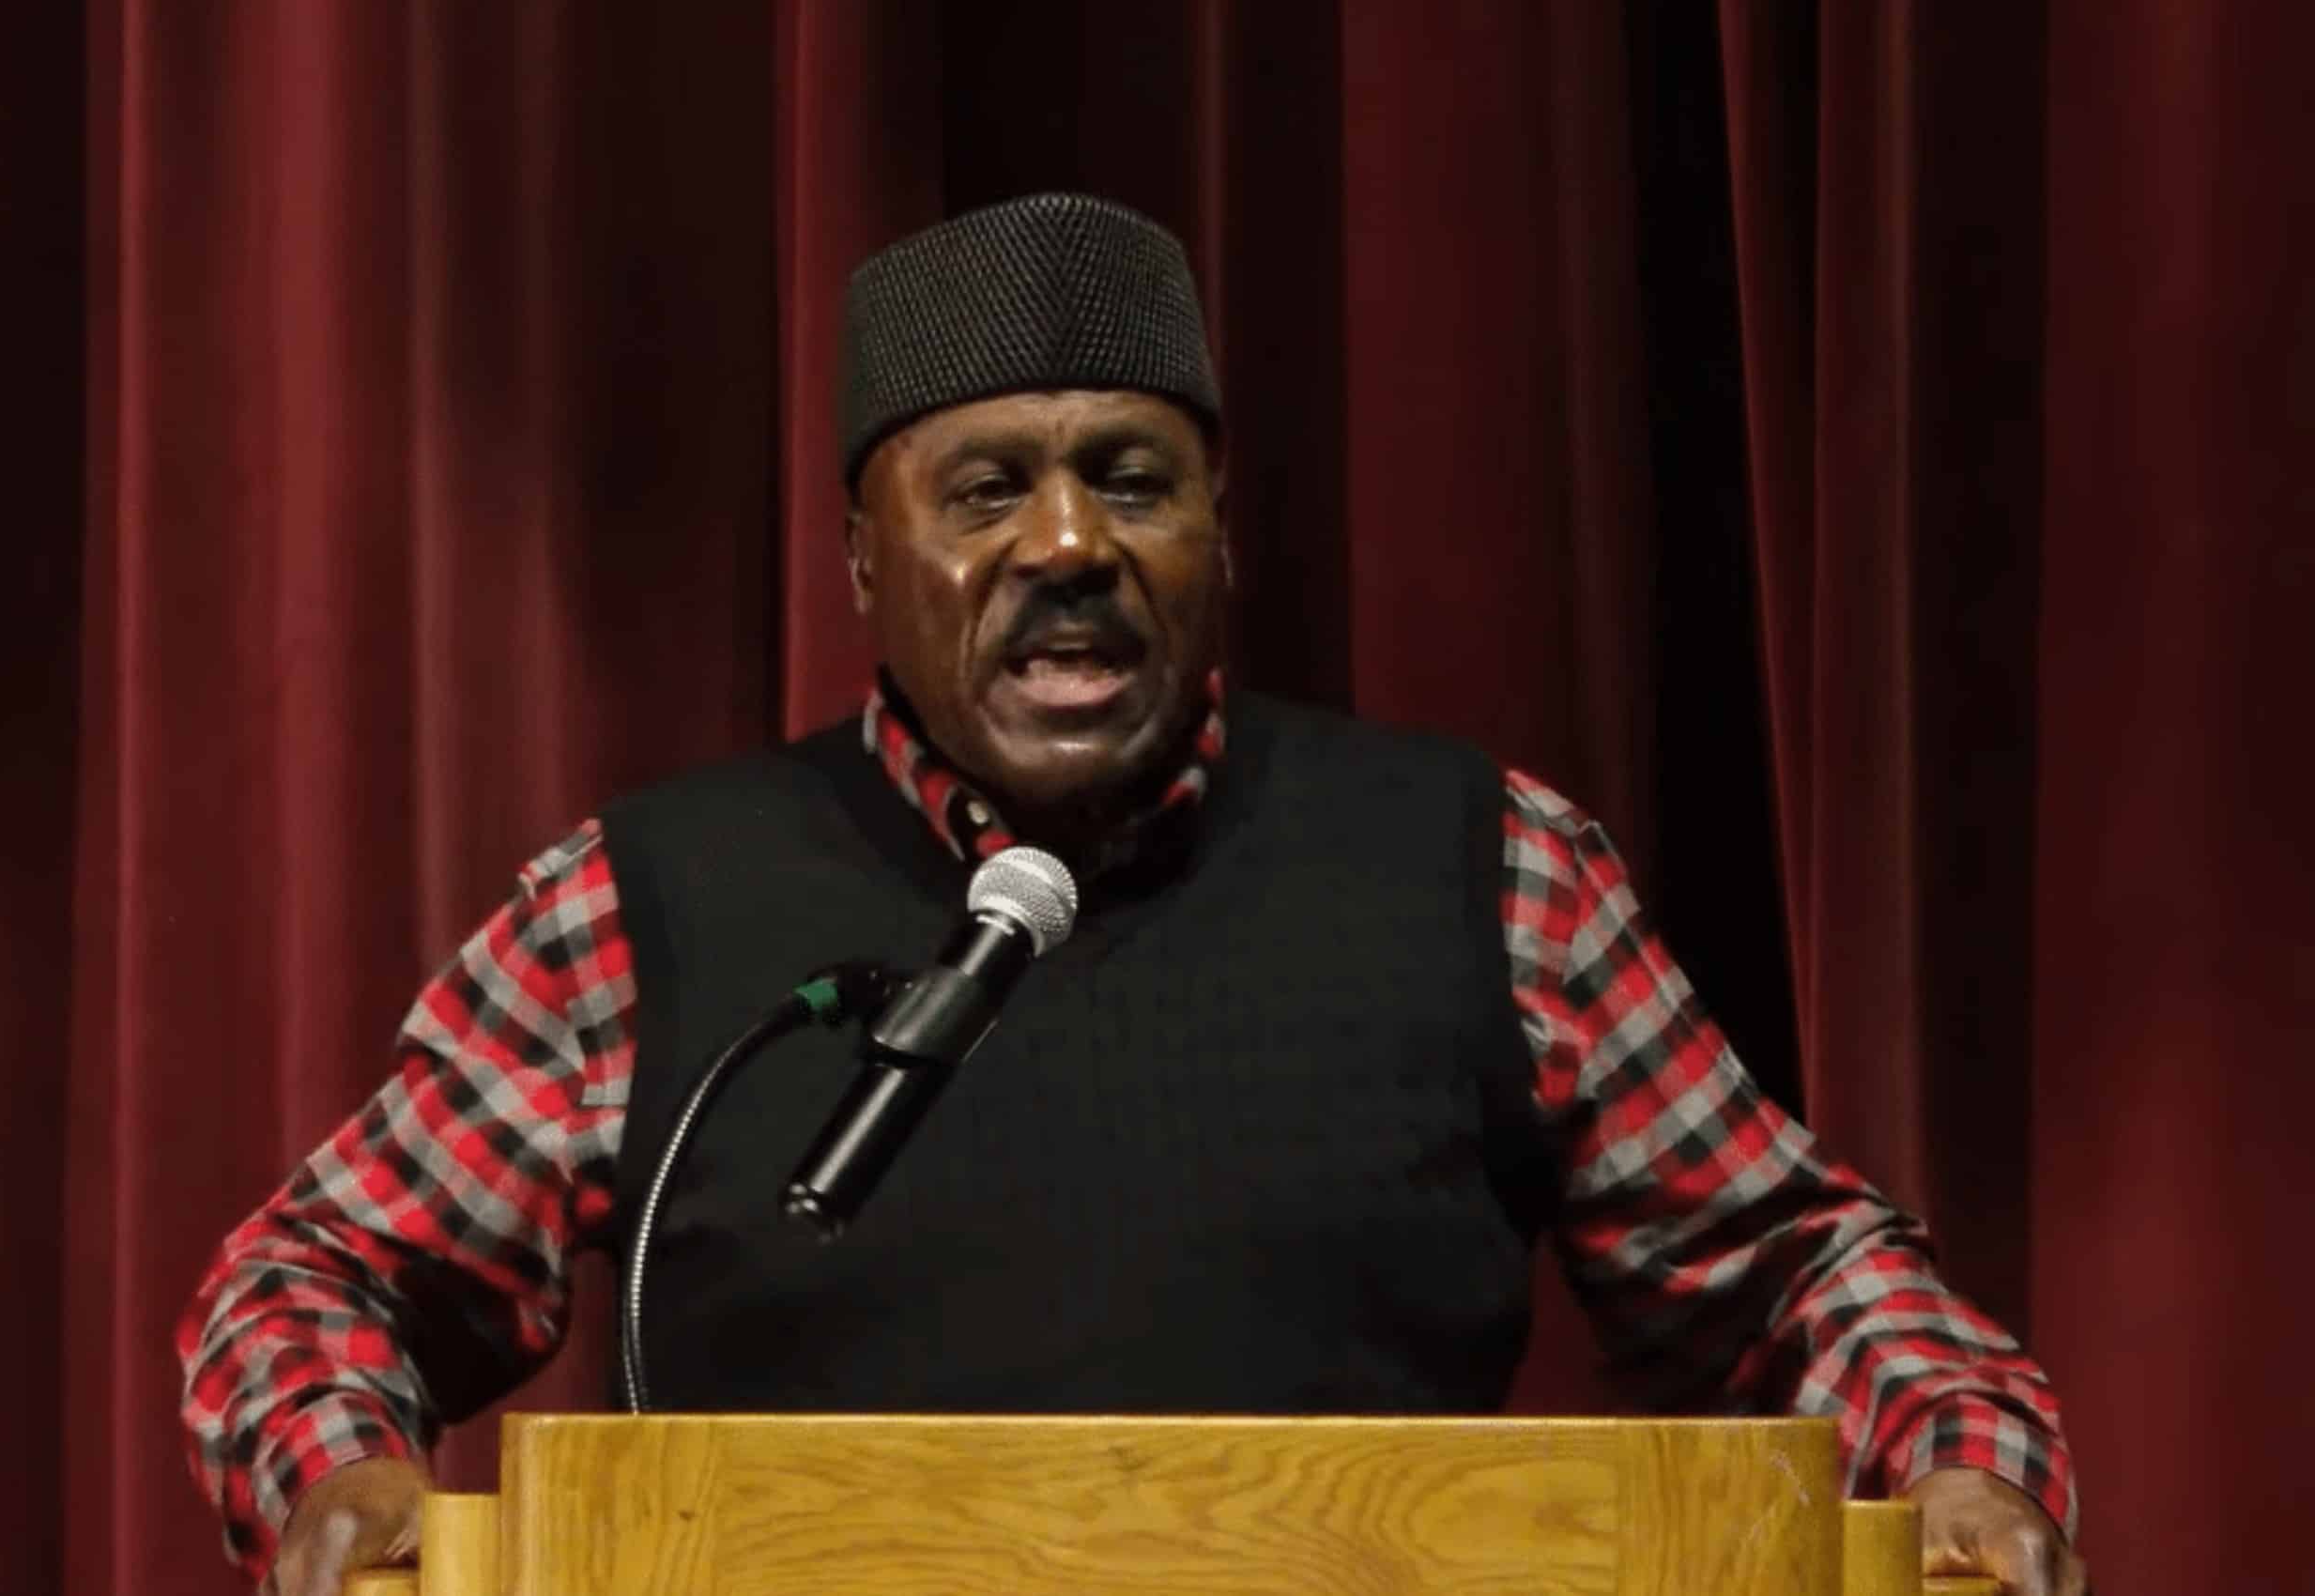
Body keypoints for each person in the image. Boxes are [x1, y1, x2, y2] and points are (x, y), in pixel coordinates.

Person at [178, 193, 2086, 1596]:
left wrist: (1967, 1467)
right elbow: (306, 1284)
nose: (1070, 541)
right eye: (985, 489)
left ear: (1221, 535)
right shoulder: (637, 905)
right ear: (862, 562)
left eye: (1131, 479)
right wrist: (341, 1478)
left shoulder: (1490, 870)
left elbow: (1810, 1277)